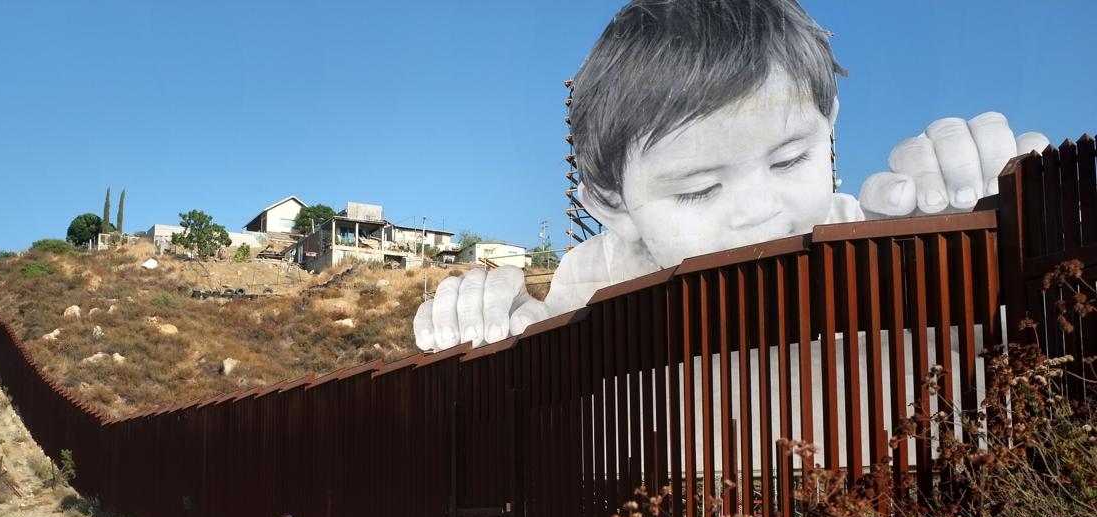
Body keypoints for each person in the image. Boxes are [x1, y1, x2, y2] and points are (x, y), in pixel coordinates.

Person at [413, 0, 1047, 351]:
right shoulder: (591, 299)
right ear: (611, 202)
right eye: (698, 188)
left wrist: (1011, 215)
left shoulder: (895, 241)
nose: (757, 210)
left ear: (830, 125)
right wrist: (502, 325)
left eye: (792, 158)